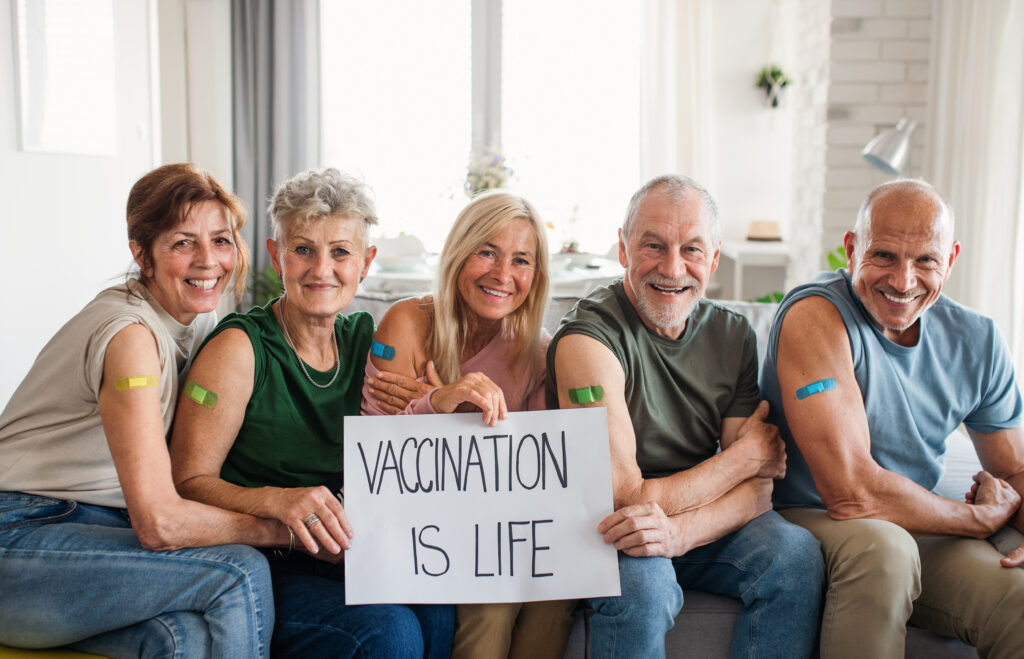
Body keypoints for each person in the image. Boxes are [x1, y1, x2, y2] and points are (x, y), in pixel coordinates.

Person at [169, 167, 454, 659]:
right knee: (389, 632)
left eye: (340, 252)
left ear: (365, 263)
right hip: (260, 558)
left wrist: (435, 405)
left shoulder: (369, 342)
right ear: (277, 256)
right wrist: (277, 500)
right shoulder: (240, 349)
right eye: (303, 249)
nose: (322, 269)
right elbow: (186, 481)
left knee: (438, 608)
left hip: (344, 550)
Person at [0, 163, 279, 658]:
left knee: (183, 641)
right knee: (238, 570)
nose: (208, 261)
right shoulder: (130, 336)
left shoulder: (197, 316)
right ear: (141, 254)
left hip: (90, 533)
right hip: (20, 537)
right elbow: (158, 522)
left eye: (221, 240)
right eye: (182, 243)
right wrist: (283, 532)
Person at [546, 174, 824, 658]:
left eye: (692, 250)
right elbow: (625, 497)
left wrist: (681, 534)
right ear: (624, 250)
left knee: (796, 558)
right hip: (605, 527)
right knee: (643, 588)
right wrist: (744, 457)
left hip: (696, 519)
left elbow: (758, 490)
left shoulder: (733, 333)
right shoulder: (587, 340)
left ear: (713, 260)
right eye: (653, 245)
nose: (673, 269)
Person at [761, 179, 1024, 659]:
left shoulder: (979, 339)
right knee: (885, 551)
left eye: (925, 260)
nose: (903, 281)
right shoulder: (814, 315)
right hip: (809, 519)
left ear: (950, 259)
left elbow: (1013, 470)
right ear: (851, 248)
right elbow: (850, 493)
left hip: (918, 525)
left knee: (1017, 601)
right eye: (883, 256)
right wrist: (972, 518)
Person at [361, 190, 577, 659]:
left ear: (535, 275)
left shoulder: (537, 351)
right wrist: (438, 403)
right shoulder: (407, 322)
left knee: (557, 594)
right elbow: (375, 464)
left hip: (499, 527)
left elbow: (536, 471)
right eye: (487, 252)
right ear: (460, 252)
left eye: (521, 260)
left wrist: (442, 417)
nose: (503, 275)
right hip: (421, 533)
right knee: (494, 604)